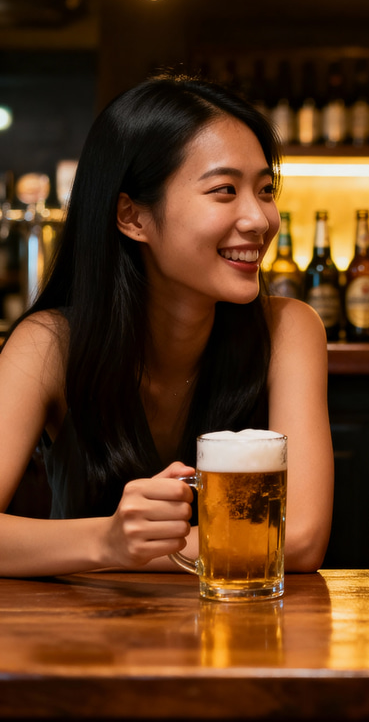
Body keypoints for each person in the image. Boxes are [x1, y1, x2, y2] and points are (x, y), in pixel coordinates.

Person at [0, 72, 334, 577]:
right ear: (132, 217)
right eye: (225, 190)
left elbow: (303, 538)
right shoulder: (48, 344)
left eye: (265, 191)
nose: (260, 219)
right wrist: (108, 541)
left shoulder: (289, 329)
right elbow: (277, 541)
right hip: (86, 642)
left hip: (244, 639)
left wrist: (119, 549)